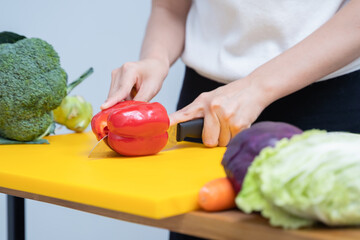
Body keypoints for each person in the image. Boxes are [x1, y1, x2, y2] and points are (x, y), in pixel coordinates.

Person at [102, 0, 360, 239]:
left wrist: (255, 88)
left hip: (327, 100)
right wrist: (155, 59)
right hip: (206, 109)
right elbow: (169, 9)